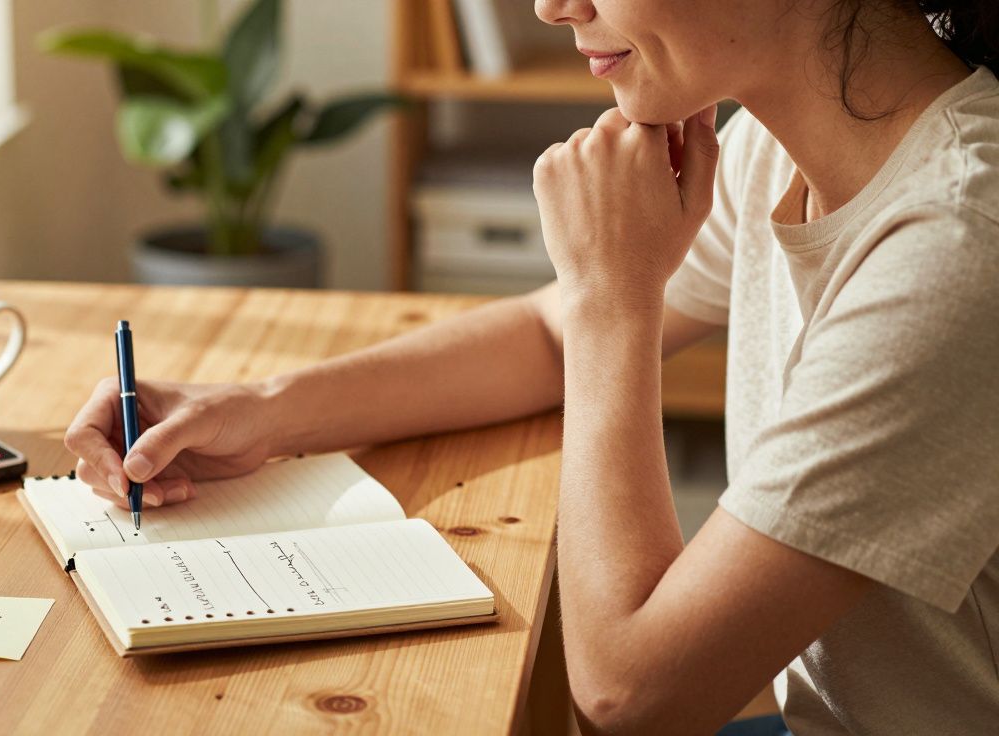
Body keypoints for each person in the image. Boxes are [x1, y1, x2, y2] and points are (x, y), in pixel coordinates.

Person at [65, 1, 999, 732]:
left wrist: (611, 301)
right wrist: (261, 410)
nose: (553, 6)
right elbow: (547, 338)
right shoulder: (780, 142)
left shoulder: (957, 243)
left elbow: (634, 694)